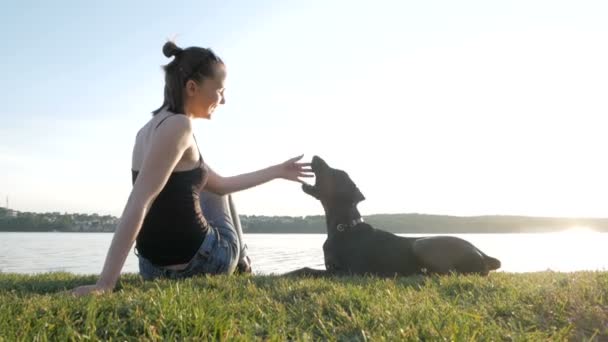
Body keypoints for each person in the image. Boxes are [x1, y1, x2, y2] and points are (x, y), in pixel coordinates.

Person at [70, 41, 312, 296]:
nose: (224, 100)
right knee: (208, 180)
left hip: (151, 269)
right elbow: (138, 201)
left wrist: (278, 170)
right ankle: (242, 262)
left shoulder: (146, 131)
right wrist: (105, 284)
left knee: (205, 177)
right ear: (192, 87)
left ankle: (242, 261)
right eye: (219, 90)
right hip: (202, 262)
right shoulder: (180, 126)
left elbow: (221, 183)